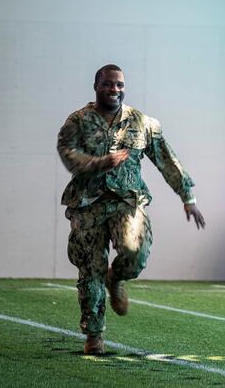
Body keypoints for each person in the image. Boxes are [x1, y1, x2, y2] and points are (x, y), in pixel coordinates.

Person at [57, 64, 206, 355]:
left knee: (135, 251)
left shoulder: (142, 122)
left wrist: (187, 197)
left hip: (128, 201)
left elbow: (166, 159)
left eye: (120, 85)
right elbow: (68, 156)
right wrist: (99, 163)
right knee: (90, 271)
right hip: (88, 204)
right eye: (109, 84)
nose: (115, 90)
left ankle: (118, 278)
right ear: (96, 86)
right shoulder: (77, 121)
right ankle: (94, 334)